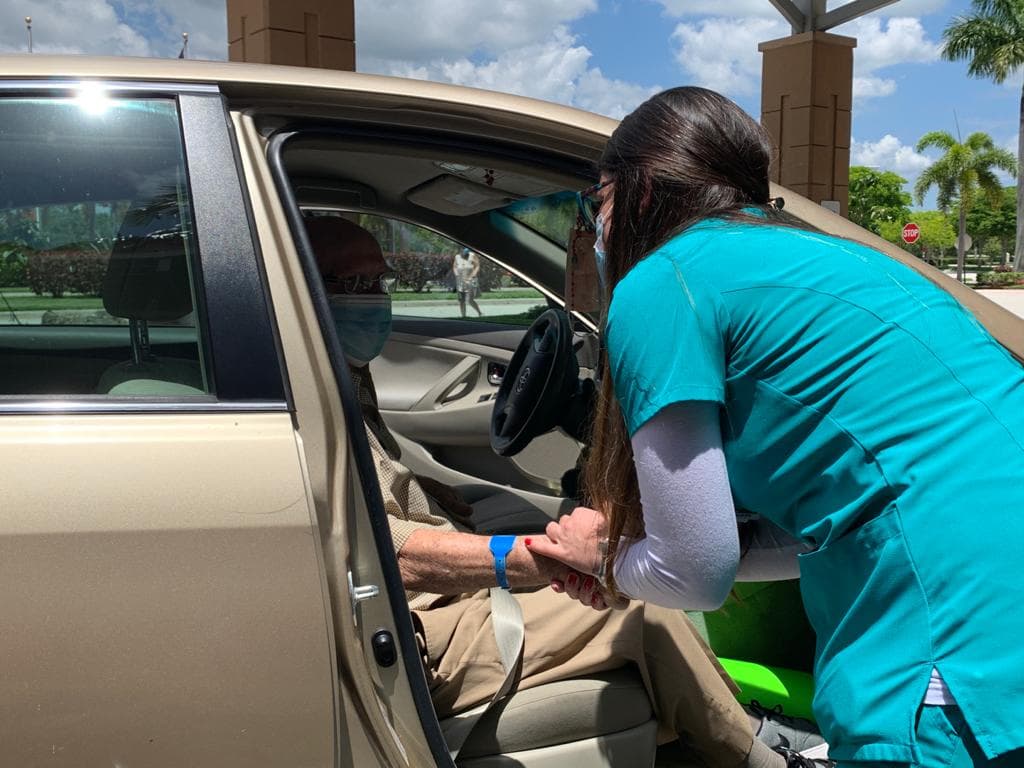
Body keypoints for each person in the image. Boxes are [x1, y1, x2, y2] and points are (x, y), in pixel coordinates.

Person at [524, 86, 1024, 767]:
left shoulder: (663, 283)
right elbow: (828, 520)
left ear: (641, 195)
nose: (599, 230)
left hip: (950, 639)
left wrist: (602, 555)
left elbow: (694, 570)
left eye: (599, 203)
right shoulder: (844, 259)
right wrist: (626, 565)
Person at [304, 213, 815, 768]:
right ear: (306, 286)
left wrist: (437, 495)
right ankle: (758, 756)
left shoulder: (331, 370)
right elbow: (390, 555)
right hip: (411, 629)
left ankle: (722, 715)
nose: (375, 299)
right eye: (355, 286)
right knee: (641, 604)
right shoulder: (309, 391)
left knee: (558, 540)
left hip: (419, 606)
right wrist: (546, 561)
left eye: (380, 283)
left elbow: (374, 484)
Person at [452, 247, 482, 317]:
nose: (464, 255)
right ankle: (463, 316)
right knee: (461, 300)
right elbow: (454, 267)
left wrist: (473, 275)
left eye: (466, 253)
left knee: (470, 300)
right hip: (460, 280)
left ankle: (479, 312)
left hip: (470, 280)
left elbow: (477, 266)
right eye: (462, 252)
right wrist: (456, 274)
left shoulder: (472, 255)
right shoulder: (457, 257)